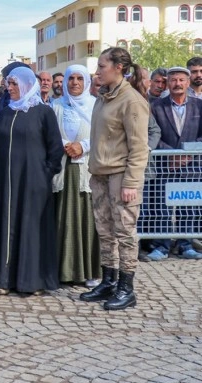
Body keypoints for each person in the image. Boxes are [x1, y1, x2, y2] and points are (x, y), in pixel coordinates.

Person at [79, 47, 149, 311]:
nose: (97, 72)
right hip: (100, 174)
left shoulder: (131, 101)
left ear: (118, 67)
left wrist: (131, 182)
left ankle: (126, 288)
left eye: (102, 67)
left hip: (121, 176)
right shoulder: (103, 97)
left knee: (125, 233)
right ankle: (108, 281)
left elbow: (139, 146)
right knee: (105, 231)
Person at [0, 66, 64, 296]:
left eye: (14, 84)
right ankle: (5, 278)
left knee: (31, 229)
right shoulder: (6, 112)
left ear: (26, 85)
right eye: (8, 84)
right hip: (7, 183)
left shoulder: (43, 113)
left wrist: (44, 174)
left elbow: (55, 148)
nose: (9, 88)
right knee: (7, 227)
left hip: (33, 183)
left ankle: (32, 281)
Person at [51, 65, 101, 285]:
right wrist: (66, 145)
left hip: (86, 170)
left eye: (80, 78)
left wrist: (82, 146)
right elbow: (50, 132)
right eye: (71, 78)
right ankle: (63, 271)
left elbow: (103, 134)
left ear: (87, 81)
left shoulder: (96, 106)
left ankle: (89, 271)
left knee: (87, 219)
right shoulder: (56, 106)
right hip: (63, 170)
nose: (75, 83)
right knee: (62, 219)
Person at [145, 66, 202, 261]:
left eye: (181, 80)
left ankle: (186, 245)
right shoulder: (157, 106)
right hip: (165, 165)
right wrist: (171, 154)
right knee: (162, 207)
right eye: (173, 80)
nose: (177, 84)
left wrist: (189, 153)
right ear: (167, 83)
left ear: (187, 83)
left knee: (189, 206)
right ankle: (161, 246)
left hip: (191, 167)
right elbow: (151, 133)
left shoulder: (199, 106)